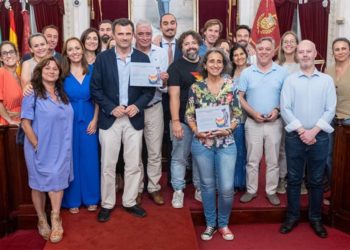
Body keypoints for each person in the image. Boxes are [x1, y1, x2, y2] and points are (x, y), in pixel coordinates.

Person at [91, 18, 155, 221]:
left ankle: (129, 201)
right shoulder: (102, 58)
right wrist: (111, 107)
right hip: (110, 118)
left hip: (133, 119)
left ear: (133, 35)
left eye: (128, 33)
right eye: (121, 34)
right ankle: (107, 203)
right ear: (114, 35)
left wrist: (138, 105)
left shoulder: (143, 59)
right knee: (108, 164)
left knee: (133, 164)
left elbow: (149, 90)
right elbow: (95, 88)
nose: (125, 37)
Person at [279, 40, 336, 238]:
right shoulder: (290, 80)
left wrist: (313, 132)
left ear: (315, 53)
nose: (304, 55)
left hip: (319, 138)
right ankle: (292, 216)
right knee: (294, 179)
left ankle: (316, 218)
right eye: (300, 51)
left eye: (308, 51)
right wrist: (303, 131)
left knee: (316, 180)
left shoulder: (326, 80)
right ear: (297, 54)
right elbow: (285, 108)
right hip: (295, 136)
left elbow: (330, 109)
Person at [186, 48, 241, 241]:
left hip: (226, 142)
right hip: (203, 143)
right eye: (212, 61)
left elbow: (237, 114)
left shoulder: (230, 85)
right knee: (207, 186)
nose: (215, 65)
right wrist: (196, 131)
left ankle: (223, 223)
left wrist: (229, 129)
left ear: (223, 64)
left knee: (226, 188)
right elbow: (189, 115)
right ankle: (211, 223)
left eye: (219, 61)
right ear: (205, 64)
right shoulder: (196, 87)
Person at [21, 57, 73, 243]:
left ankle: (56, 218)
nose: (52, 71)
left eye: (55, 69)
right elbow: (25, 123)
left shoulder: (61, 93)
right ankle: (42, 219)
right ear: (40, 71)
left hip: (61, 146)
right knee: (38, 184)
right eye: (48, 68)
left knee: (57, 181)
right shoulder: (32, 92)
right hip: (39, 146)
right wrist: (36, 145)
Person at [238, 37, 287, 206]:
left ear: (273, 52)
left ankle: (271, 191)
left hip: (275, 123)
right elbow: (240, 96)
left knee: (273, 160)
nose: (264, 52)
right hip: (253, 123)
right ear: (255, 51)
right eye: (260, 49)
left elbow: (286, 97)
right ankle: (251, 190)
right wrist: (252, 112)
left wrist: (277, 110)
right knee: (252, 159)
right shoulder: (247, 72)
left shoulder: (282, 72)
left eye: (268, 49)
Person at [60, 37, 100, 213]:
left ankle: (92, 197)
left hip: (90, 117)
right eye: (70, 49)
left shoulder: (92, 70)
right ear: (66, 53)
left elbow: (98, 97)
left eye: (77, 48)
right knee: (71, 159)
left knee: (90, 158)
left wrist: (95, 120)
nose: (74, 52)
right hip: (68, 120)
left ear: (82, 50)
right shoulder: (61, 74)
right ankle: (73, 200)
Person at [134, 20, 168, 205]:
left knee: (155, 152)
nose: (145, 37)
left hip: (155, 107)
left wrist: (163, 80)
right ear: (135, 35)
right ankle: (137, 188)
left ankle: (154, 187)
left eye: (148, 34)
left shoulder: (161, 53)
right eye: (141, 34)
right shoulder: (129, 53)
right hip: (134, 110)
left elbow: (163, 87)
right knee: (135, 152)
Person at [168, 30, 202, 208]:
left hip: (204, 122)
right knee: (179, 157)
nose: (191, 47)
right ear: (181, 47)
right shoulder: (175, 67)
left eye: (194, 43)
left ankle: (199, 188)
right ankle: (178, 190)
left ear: (199, 45)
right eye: (187, 44)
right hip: (182, 120)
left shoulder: (205, 65)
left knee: (200, 157)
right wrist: (175, 122)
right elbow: (173, 96)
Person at [275, 31, 307, 195]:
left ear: (297, 44)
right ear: (281, 45)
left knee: (299, 147)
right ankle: (282, 179)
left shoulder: (303, 64)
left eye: (292, 41)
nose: (288, 44)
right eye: (285, 41)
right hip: (281, 114)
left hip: (300, 113)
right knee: (282, 148)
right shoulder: (276, 65)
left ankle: (300, 180)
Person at [324, 37, 350, 205]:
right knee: (329, 158)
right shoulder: (328, 70)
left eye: (343, 48)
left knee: (347, 160)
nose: (340, 52)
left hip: (348, 121)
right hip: (332, 120)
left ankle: (345, 195)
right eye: (337, 49)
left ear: (349, 50)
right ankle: (334, 192)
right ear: (333, 52)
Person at [230, 43, 249, 191]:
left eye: (241, 54)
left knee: (250, 154)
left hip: (251, 118)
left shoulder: (253, 72)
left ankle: (248, 183)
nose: (239, 57)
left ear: (246, 55)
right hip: (234, 120)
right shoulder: (228, 74)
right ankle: (237, 183)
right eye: (235, 55)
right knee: (237, 152)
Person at [0, 41, 22, 126]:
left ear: (17, 55)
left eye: (11, 52)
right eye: (4, 53)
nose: (9, 56)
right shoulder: (1, 73)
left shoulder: (20, 77)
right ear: (1, 58)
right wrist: (10, 121)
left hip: (20, 124)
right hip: (6, 126)